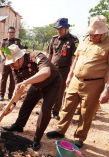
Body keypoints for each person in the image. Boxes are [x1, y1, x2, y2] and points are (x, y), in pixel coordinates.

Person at [46, 15, 109, 148]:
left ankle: (79, 137)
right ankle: (60, 130)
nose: (92, 35)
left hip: (94, 83)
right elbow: (76, 59)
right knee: (67, 106)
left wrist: (107, 90)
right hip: (75, 79)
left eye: (95, 33)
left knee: (87, 112)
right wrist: (70, 75)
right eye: (90, 32)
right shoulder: (85, 40)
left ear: (103, 32)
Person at [3, 44, 61, 151]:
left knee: (45, 110)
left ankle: (37, 139)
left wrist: (25, 82)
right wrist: (13, 104)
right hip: (36, 84)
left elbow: (46, 72)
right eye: (9, 64)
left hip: (52, 84)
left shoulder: (36, 56)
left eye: (12, 62)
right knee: (27, 104)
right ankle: (19, 125)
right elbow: (18, 89)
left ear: (20, 58)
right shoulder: (15, 68)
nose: (11, 66)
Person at [46, 18, 79, 120]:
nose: (58, 31)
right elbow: (49, 54)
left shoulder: (73, 40)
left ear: (66, 28)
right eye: (57, 28)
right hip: (52, 68)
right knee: (48, 89)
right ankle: (46, 109)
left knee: (60, 91)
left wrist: (71, 72)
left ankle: (55, 111)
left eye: (60, 29)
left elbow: (74, 58)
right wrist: (46, 67)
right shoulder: (54, 39)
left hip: (64, 70)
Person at [0, 26, 24, 101]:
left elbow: (21, 51)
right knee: (4, 79)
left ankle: (10, 95)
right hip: (6, 63)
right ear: (7, 33)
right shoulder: (4, 41)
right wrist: (3, 58)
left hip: (14, 64)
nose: (12, 34)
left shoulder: (17, 42)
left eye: (13, 32)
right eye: (10, 32)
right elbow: (0, 50)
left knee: (13, 79)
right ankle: (1, 95)